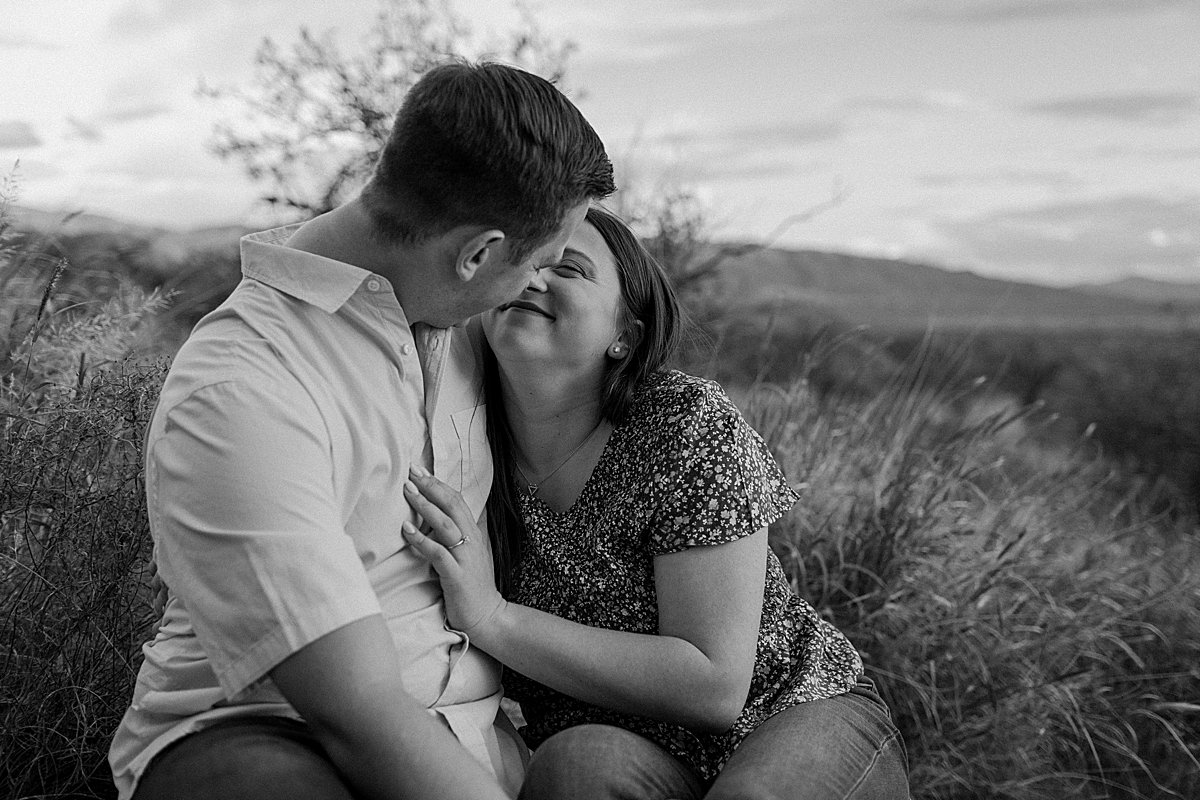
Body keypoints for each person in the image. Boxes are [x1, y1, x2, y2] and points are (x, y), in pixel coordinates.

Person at [109, 60, 614, 800]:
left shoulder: (465, 320)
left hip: (477, 733)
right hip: (272, 734)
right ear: (476, 253)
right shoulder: (246, 386)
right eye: (537, 264)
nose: (535, 286)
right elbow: (356, 710)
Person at [401, 204, 911, 799]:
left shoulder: (683, 425)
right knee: (573, 767)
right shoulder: (458, 446)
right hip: (620, 752)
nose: (534, 276)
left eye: (570, 268)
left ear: (625, 335)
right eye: (524, 260)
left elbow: (715, 686)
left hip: (788, 714)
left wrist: (494, 618)